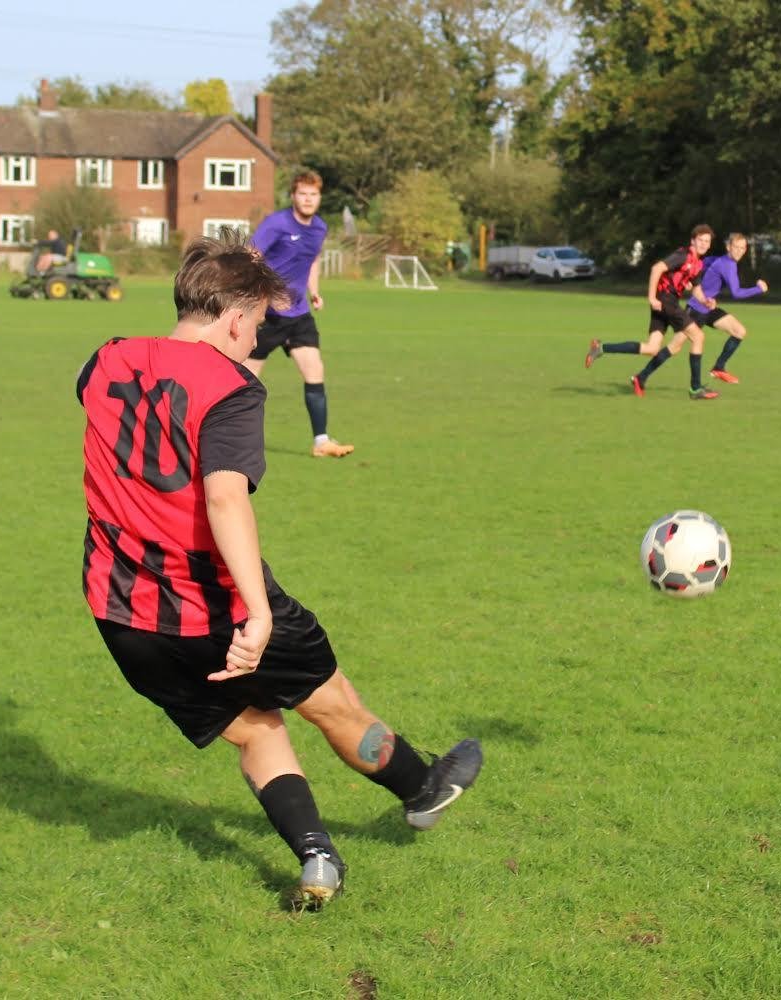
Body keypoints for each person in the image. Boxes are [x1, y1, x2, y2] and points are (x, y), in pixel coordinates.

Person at [76, 230, 482, 910]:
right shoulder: (230, 386)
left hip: (120, 612)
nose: (255, 341)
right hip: (215, 602)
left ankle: (317, 857)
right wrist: (259, 613)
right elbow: (224, 495)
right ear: (236, 318)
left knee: (256, 726)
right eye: (258, 325)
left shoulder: (107, 358)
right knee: (334, 702)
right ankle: (423, 789)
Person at [246, 171, 354, 458]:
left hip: (299, 314)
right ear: (293, 196)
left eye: (313, 194)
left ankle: (322, 442)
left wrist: (314, 291)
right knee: (244, 381)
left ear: (319, 198)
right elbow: (249, 257)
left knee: (315, 371)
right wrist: (262, 296)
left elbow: (313, 260)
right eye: (303, 194)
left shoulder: (319, 228)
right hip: (265, 315)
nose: (308, 199)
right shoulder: (277, 223)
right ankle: (228, 438)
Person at [584, 224, 720, 399]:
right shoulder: (683, 255)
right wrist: (651, 297)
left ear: (709, 245)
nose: (703, 243)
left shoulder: (698, 264)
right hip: (665, 300)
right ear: (692, 241)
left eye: (706, 241)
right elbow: (657, 268)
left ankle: (601, 348)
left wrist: (706, 301)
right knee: (698, 337)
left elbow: (696, 289)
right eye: (700, 240)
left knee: (652, 348)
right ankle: (695, 388)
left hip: (666, 301)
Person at [686, 232, 769, 383]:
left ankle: (719, 367)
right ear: (728, 247)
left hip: (709, 308)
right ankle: (643, 376)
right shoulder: (728, 265)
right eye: (736, 247)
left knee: (739, 331)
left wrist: (691, 279)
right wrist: (758, 289)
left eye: (742, 248)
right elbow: (736, 293)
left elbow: (702, 264)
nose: (739, 251)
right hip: (696, 309)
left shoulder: (721, 260)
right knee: (675, 346)